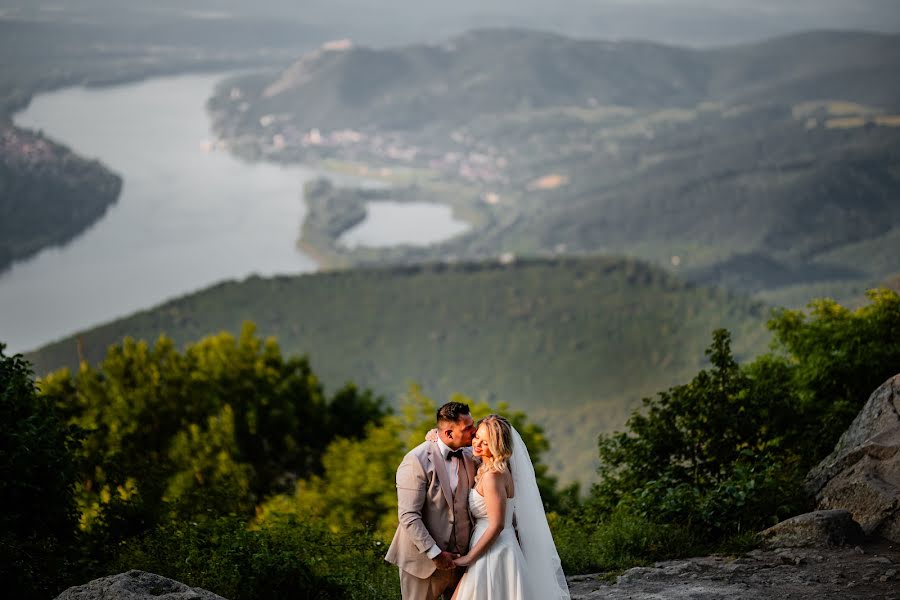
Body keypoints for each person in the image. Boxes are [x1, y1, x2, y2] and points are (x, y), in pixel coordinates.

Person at [452, 415, 570, 600]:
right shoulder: (494, 468)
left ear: (497, 445)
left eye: (486, 442)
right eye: (477, 437)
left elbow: (497, 525)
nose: (477, 444)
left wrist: (469, 558)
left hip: (493, 551)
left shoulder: (493, 476)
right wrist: (435, 434)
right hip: (495, 545)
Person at [385, 401, 477, 600]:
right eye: (468, 428)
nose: (474, 431)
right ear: (448, 434)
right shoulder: (415, 460)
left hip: (463, 564)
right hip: (423, 564)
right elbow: (408, 515)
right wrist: (435, 554)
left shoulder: (472, 455)